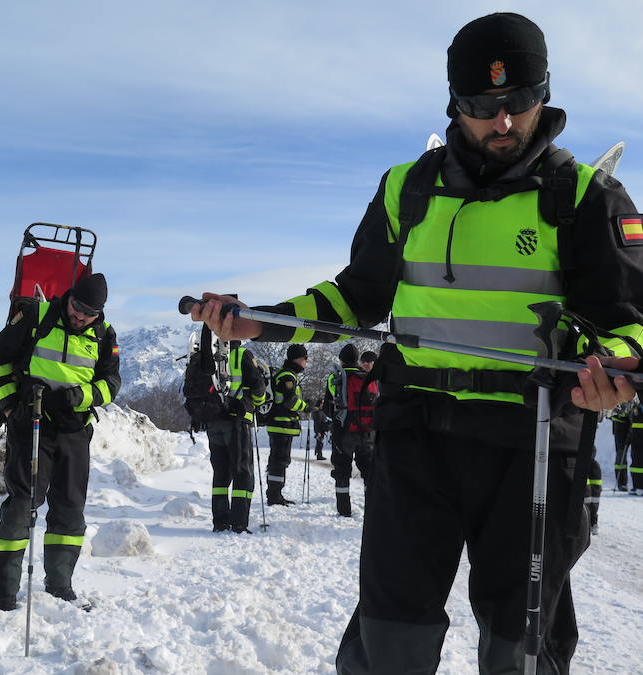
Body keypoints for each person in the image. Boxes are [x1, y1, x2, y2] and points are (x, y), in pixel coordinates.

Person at [192, 12, 643, 673]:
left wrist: (620, 365)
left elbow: (628, 318)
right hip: (417, 435)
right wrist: (263, 322)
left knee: (520, 647)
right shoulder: (407, 189)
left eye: (518, 102)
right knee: (389, 632)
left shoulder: (586, 197)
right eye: (482, 107)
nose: (504, 122)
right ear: (455, 105)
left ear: (543, 95)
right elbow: (355, 298)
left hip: (535, 438)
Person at [0, 273, 120, 611]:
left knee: (70, 510)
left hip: (74, 430)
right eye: (76, 307)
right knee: (21, 505)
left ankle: (60, 586)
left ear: (98, 313)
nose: (79, 316)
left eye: (88, 313)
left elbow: (112, 383)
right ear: (69, 297)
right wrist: (11, 405)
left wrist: (82, 395)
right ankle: (4, 593)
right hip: (32, 425)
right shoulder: (37, 316)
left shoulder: (104, 335)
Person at [205, 339, 266, 533]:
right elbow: (258, 387)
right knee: (242, 472)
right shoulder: (241, 354)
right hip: (237, 420)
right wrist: (257, 401)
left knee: (221, 473)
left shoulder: (208, 354)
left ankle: (220, 522)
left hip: (213, 420)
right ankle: (239, 523)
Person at [322, 344, 378, 517]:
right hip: (367, 431)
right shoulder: (369, 377)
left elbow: (327, 407)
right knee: (369, 470)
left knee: (342, 469)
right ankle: (372, 509)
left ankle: (344, 509)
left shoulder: (336, 377)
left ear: (341, 360)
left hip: (344, 430)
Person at [264, 344, 308, 505]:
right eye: (305, 358)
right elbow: (291, 401)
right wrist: (306, 406)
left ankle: (275, 493)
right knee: (279, 461)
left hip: (281, 425)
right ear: (297, 358)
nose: (306, 362)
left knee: (278, 460)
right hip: (281, 425)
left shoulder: (287, 374)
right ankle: (274, 495)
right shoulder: (287, 377)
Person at [608, 400, 633, 491]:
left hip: (634, 424)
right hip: (620, 425)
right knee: (621, 454)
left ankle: (637, 483)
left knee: (636, 455)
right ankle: (621, 482)